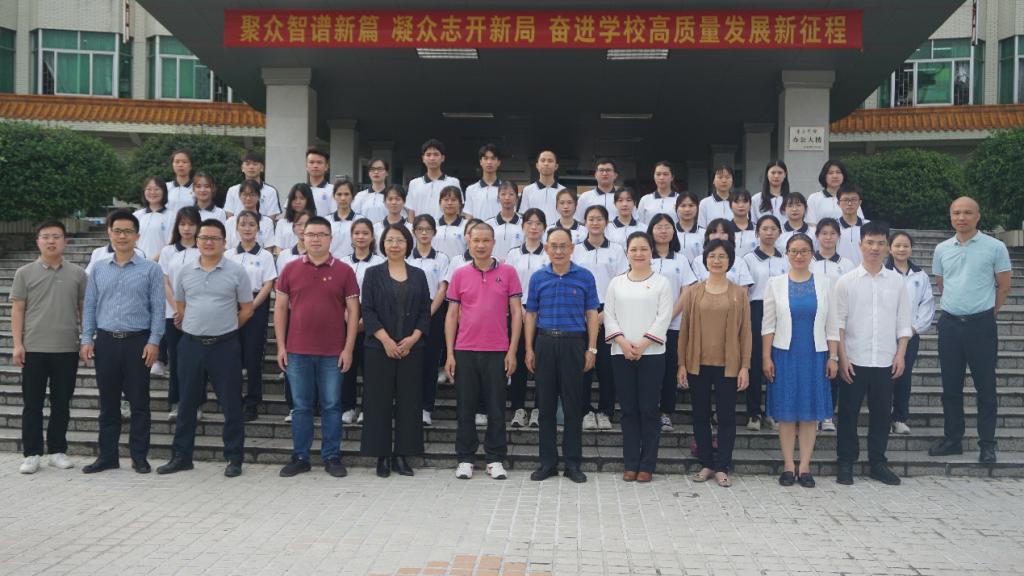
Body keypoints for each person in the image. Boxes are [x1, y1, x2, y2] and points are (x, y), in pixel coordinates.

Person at [158, 219, 253, 477]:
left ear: (224, 242)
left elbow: (247, 309)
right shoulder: (185, 271)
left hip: (225, 346)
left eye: (214, 238)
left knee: (231, 404)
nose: (208, 242)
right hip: (191, 345)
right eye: (204, 238)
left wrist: (226, 327)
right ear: (197, 241)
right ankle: (182, 457)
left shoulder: (236, 271)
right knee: (187, 403)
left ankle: (234, 458)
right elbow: (181, 305)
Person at [80, 210, 165, 474]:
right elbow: (90, 306)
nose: (122, 236)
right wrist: (86, 338)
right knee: (108, 403)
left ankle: (139, 456)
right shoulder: (98, 268)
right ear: (109, 233)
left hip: (137, 342)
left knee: (139, 402)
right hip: (106, 341)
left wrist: (154, 341)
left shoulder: (151, 269)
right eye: (117, 231)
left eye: (128, 231)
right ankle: (108, 456)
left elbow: (158, 309)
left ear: (137, 236)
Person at [274, 216, 360, 478]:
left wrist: (348, 349)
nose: (315, 239)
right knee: (301, 406)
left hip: (333, 352)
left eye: (321, 234)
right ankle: (300, 456)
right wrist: (281, 346)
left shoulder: (345, 271)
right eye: (311, 234)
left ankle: (332, 456)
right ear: (303, 237)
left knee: (332, 406)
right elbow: (280, 309)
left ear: (331, 238)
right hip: (297, 350)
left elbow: (353, 312)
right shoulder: (290, 269)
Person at [928, 197, 1012, 464]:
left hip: (981, 325)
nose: (961, 217)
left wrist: (988, 312)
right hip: (950, 325)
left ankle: (987, 444)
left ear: (978, 216)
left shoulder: (995, 247)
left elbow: (1004, 286)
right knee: (951, 387)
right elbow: (942, 283)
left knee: (985, 388)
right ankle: (953, 439)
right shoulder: (942, 249)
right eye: (956, 213)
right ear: (950, 216)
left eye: (967, 212)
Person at [834, 220, 912, 486]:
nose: (875, 248)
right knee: (848, 413)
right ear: (860, 245)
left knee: (881, 414)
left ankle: (877, 462)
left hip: (885, 359)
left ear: (887, 247)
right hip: (854, 359)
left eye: (880, 243)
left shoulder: (897, 282)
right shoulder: (846, 282)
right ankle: (846, 462)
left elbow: (904, 321)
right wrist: (842, 358)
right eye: (870, 242)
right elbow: (839, 323)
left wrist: (900, 354)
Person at [445, 223, 522, 481]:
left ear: (493, 242)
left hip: (497, 351)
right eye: (476, 240)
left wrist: (512, 350)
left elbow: (517, 314)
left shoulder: (508, 272)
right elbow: (451, 315)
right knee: (465, 408)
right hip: (465, 350)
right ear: (468, 242)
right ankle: (465, 458)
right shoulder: (459, 274)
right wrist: (450, 353)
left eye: (485, 240)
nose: (480, 245)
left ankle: (495, 458)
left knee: (497, 408)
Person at [762, 233, 840, 488]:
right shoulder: (775, 283)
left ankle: (804, 467)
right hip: (784, 355)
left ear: (812, 254)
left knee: (809, 414)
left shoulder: (825, 283)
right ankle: (788, 466)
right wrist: (766, 357)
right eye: (794, 251)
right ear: (786, 254)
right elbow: (768, 325)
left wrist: (833, 357)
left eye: (804, 251)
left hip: (815, 355)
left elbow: (832, 325)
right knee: (786, 414)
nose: (798, 256)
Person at [524, 227, 599, 484]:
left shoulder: (585, 277)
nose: (558, 251)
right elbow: (531, 314)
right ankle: (547, 463)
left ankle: (573, 464)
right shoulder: (538, 278)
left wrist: (591, 348)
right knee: (545, 407)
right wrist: (529, 348)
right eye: (553, 246)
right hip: (545, 343)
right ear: (546, 249)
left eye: (563, 246)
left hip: (574, 344)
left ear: (572, 248)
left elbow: (592, 314)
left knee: (573, 407)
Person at [13, 220, 87, 474]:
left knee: (61, 403)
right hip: (34, 348)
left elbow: (83, 309)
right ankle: (32, 454)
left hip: (67, 348)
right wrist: (17, 344)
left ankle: (57, 451)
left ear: (65, 241)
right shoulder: (24, 273)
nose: (51, 241)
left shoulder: (78, 274)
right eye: (45, 236)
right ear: (38, 241)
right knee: (32, 404)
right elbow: (18, 309)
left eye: (56, 236)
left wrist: (86, 339)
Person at [677, 239, 752, 488]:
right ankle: (706, 463)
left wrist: (745, 366)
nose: (717, 261)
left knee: (726, 417)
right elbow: (685, 330)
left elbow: (746, 333)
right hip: (697, 364)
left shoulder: (739, 293)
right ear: (705, 260)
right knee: (700, 415)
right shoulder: (694, 292)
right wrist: (681, 364)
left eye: (722, 256)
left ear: (730, 261)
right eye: (712, 256)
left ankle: (722, 466)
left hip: (728, 365)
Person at [360, 223, 431, 477]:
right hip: (379, 348)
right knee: (377, 401)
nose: (394, 245)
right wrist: (386, 340)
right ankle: (381, 456)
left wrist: (413, 339)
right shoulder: (372, 273)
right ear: (382, 244)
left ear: (408, 244)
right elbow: (367, 310)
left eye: (400, 240)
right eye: (390, 240)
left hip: (412, 348)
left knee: (409, 402)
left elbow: (425, 311)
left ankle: (403, 455)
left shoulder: (419, 275)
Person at [605, 232, 674, 482]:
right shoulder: (616, 283)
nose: (639, 253)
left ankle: (647, 465)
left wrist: (643, 344)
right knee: (628, 410)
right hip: (620, 353)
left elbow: (663, 317)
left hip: (652, 354)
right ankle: (630, 463)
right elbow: (609, 315)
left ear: (651, 252)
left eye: (643, 249)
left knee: (649, 410)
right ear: (627, 253)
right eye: (633, 249)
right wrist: (623, 343)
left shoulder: (662, 283)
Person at [572, 205, 627, 430]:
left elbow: (622, 282)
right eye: (591, 219)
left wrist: (607, 312)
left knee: (607, 366)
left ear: (606, 222)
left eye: (599, 219)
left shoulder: (617, 249)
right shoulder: (576, 250)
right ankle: (584, 411)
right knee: (582, 364)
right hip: (580, 311)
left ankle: (605, 411)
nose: (595, 223)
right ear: (584, 222)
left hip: (609, 310)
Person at [647, 214, 698, 432]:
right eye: (658, 227)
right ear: (651, 230)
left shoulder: (681, 260)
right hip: (645, 324)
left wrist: (668, 315)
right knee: (649, 369)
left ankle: (665, 412)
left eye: (667, 227)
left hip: (673, 325)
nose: (663, 231)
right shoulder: (644, 256)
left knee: (669, 370)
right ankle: (648, 411)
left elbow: (687, 291)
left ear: (673, 231)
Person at [226, 211, 278, 421]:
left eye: (251, 224)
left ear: (258, 228)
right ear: (237, 227)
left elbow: (268, 284)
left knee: (253, 355)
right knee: (232, 355)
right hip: (230, 305)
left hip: (256, 305)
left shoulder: (265, 256)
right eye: (243, 224)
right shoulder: (229, 255)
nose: (247, 228)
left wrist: (250, 307)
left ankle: (252, 401)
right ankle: (234, 400)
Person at [885, 231, 935, 436]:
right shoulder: (882, 272)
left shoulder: (920, 276)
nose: (901, 249)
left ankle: (899, 418)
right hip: (884, 334)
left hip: (910, 335)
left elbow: (927, 305)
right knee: (882, 377)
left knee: (903, 376)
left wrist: (913, 328)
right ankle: (881, 416)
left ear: (911, 249)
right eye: (897, 245)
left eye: (905, 246)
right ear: (889, 249)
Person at [742, 215, 789, 432]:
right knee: (754, 361)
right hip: (756, 309)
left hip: (781, 312)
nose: (769, 233)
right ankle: (753, 412)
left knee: (777, 360)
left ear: (779, 232)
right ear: (757, 232)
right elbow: (745, 291)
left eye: (773, 229)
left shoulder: (786, 259)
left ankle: (773, 411)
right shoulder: (748, 259)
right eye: (765, 228)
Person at [809, 217, 855, 432]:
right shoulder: (809, 261)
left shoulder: (846, 265)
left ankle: (828, 414)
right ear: (817, 236)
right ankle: (812, 413)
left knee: (832, 367)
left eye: (832, 233)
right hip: (812, 321)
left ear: (838, 236)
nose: (828, 237)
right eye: (824, 233)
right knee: (813, 368)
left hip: (837, 322)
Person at [505, 208, 550, 428]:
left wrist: (535, 311)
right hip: (517, 312)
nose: (533, 227)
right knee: (518, 361)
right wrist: (520, 310)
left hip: (543, 313)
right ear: (522, 226)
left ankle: (539, 409)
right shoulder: (513, 254)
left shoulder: (549, 253)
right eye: (529, 223)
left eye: (538, 223)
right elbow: (507, 285)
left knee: (541, 362)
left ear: (544, 227)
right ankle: (518, 409)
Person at [340, 218, 386, 424]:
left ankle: (368, 408)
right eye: (357, 233)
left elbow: (382, 296)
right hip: (344, 317)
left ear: (372, 237)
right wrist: (347, 316)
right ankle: (348, 407)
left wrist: (365, 321)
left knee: (371, 368)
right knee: (346, 365)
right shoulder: (342, 262)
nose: (361, 237)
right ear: (351, 236)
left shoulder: (380, 263)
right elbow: (337, 293)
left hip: (372, 320)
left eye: (365, 233)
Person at [158, 207, 202, 422]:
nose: (187, 228)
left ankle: (197, 404)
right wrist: (178, 309)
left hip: (199, 315)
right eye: (183, 224)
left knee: (197, 361)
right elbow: (164, 281)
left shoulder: (203, 250)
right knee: (175, 359)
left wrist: (188, 310)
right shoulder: (168, 251)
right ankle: (176, 403)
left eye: (191, 224)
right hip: (172, 315)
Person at [407, 214, 451, 426]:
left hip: (434, 313)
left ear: (434, 232)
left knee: (430, 361)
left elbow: (442, 288)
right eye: (420, 229)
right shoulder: (406, 257)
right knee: (410, 362)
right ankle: (410, 406)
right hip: (409, 312)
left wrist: (428, 313)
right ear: (414, 232)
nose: (424, 233)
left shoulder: (442, 258)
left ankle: (426, 408)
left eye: (428, 229)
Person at [274, 210, 314, 423]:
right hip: (291, 313)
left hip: (315, 314)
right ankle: (294, 405)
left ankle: (315, 404)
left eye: (307, 224)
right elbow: (280, 287)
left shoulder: (323, 254)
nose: (302, 228)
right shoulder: (284, 257)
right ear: (294, 228)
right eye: (299, 224)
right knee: (293, 360)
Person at [688, 219, 754, 288]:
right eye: (714, 232)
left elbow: (744, 290)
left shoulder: (739, 262)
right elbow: (694, 288)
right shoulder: (698, 261)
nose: (718, 236)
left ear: (729, 235)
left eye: (723, 232)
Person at [407, 139, 462, 220]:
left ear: (442, 158)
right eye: (428, 155)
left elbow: (457, 209)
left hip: (445, 226)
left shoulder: (453, 182)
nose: (432, 158)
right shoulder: (414, 183)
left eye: (436, 154)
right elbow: (411, 211)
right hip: (421, 227)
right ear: (423, 158)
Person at [223, 151, 281, 220]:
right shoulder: (232, 190)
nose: (251, 167)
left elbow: (271, 217)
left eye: (255, 164)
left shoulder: (271, 191)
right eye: (247, 164)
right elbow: (229, 216)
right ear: (242, 168)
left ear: (262, 168)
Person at [807, 160, 863, 225]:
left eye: (838, 172)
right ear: (824, 176)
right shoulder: (814, 198)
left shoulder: (851, 198)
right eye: (830, 173)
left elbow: (860, 222)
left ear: (843, 176)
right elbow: (811, 223)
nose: (835, 176)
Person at [225, 180, 276, 249]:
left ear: (258, 196)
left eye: (252, 195)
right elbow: (226, 249)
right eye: (245, 195)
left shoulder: (267, 222)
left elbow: (268, 249)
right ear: (239, 196)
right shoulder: (230, 222)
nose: (248, 198)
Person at [519, 150, 565, 226]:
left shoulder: (563, 191)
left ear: (556, 166)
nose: (546, 163)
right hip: (534, 231)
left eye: (550, 161)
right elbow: (523, 215)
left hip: (557, 232)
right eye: (543, 160)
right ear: (537, 165)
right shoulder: (527, 190)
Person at [132, 176, 173, 261]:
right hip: (138, 263)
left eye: (156, 189)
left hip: (162, 263)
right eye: (149, 189)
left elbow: (171, 242)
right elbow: (131, 240)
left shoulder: (172, 216)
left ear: (164, 191)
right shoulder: (136, 215)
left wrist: (152, 261)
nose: (152, 192)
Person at [484, 180, 524, 260]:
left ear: (517, 198)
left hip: (517, 266)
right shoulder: (488, 224)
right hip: (494, 265)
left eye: (511, 194)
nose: (507, 198)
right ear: (498, 198)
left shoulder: (524, 223)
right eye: (503, 194)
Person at [464, 143, 504, 221]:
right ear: (481, 162)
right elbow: (468, 215)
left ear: (498, 162)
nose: (489, 162)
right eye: (485, 158)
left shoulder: (505, 189)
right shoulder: (471, 189)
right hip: (478, 228)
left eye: (493, 158)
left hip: (499, 228)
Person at [274, 183, 316, 253]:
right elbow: (278, 248)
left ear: (308, 200)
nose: (297, 202)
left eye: (302, 198)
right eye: (294, 198)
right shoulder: (282, 223)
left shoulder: (316, 223)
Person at [835, 186, 868, 266]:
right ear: (838, 203)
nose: (849, 203)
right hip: (839, 270)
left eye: (853, 200)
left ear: (860, 202)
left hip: (863, 270)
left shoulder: (868, 226)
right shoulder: (832, 226)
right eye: (845, 200)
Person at [352, 158, 392, 223]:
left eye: (380, 169)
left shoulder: (392, 196)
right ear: (369, 173)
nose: (376, 172)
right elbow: (354, 218)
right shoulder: (360, 196)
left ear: (387, 173)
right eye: (372, 169)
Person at [329, 179, 360, 259]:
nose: (343, 198)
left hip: (352, 264)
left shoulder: (360, 221)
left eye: (346, 194)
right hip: (330, 264)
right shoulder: (326, 221)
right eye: (339, 194)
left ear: (353, 196)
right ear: (334, 196)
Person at [433, 186, 468, 258]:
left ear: (460, 203)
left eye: (453, 200)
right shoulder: (432, 224)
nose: (449, 203)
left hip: (459, 264)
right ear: (440, 203)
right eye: (446, 200)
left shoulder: (467, 225)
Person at [674, 191, 704, 262]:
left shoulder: (704, 234)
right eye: (683, 206)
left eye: (691, 205)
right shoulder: (670, 232)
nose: (687, 209)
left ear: (697, 208)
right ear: (676, 208)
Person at [728, 188, 757, 259]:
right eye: (737, 202)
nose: (741, 205)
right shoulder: (725, 230)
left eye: (745, 202)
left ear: (750, 205)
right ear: (730, 206)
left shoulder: (757, 229)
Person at [306, 147, 334, 217]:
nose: (315, 166)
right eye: (311, 162)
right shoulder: (298, 189)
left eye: (319, 162)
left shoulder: (334, 190)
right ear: (306, 165)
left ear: (326, 166)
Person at [166, 149, 194, 213]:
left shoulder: (197, 188)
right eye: (177, 162)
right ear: (172, 165)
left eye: (184, 162)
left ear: (191, 166)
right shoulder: (165, 187)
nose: (180, 165)